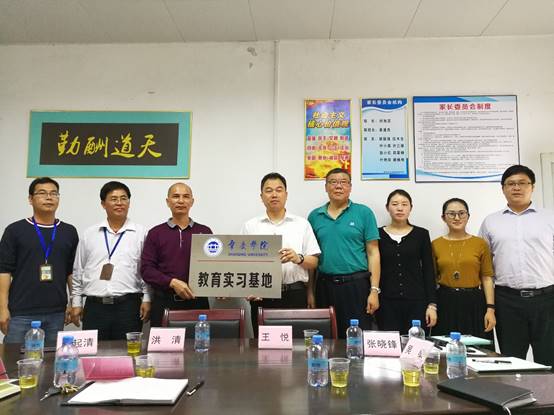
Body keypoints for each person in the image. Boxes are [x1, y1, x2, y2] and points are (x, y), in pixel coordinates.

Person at [479, 165, 554, 365]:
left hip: (547, 300)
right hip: (507, 301)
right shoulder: (491, 222)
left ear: (532, 187)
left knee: (549, 360)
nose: (517, 187)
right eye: (511, 183)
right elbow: (485, 266)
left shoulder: (550, 218)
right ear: (503, 188)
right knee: (511, 361)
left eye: (522, 183)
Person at [0, 177, 78, 344]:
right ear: (30, 199)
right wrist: (2, 308)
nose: (49, 197)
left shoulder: (69, 231)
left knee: (51, 358)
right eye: (42, 193)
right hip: (21, 312)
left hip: (56, 312)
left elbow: (71, 271)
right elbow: (4, 271)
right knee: (14, 358)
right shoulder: (15, 230)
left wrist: (74, 302)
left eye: (54, 193)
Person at [242, 172, 321, 337]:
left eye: (279, 190)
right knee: (264, 346)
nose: (274, 194)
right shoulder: (251, 226)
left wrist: (298, 258)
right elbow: (242, 264)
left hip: (295, 294)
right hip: (262, 295)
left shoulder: (302, 224)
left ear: (286, 194)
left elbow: (314, 262)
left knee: (297, 345)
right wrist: (248, 289)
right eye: (268, 190)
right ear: (261, 196)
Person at [70, 181, 151, 340]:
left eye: (124, 198)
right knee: (94, 353)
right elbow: (79, 270)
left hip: (128, 307)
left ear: (129, 202)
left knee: (128, 352)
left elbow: (146, 270)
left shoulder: (142, 233)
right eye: (114, 199)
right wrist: (76, 302)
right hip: (95, 308)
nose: (119, 203)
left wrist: (147, 298)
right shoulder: (90, 234)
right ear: (103, 204)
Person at [308, 168, 381, 338]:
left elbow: (373, 253)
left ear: (350, 187)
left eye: (343, 182)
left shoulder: (364, 213)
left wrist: (374, 290)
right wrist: (310, 291)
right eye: (333, 182)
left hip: (356, 286)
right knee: (326, 337)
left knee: (356, 338)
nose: (338, 186)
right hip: (324, 286)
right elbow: (312, 257)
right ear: (326, 187)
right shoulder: (314, 216)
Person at [141, 183, 212, 327]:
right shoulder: (156, 233)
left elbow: (214, 266)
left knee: (198, 340)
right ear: (168, 201)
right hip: (164, 302)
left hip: (197, 302)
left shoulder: (205, 232)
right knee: (164, 342)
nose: (181, 200)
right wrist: (172, 282)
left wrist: (221, 288)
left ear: (192, 201)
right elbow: (147, 270)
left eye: (186, 196)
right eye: (176, 196)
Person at [432, 198, 495, 342]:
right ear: (443, 217)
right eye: (451, 214)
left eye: (461, 213)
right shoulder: (435, 244)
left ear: (468, 216)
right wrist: (432, 306)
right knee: (445, 347)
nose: (457, 218)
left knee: (477, 347)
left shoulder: (480, 244)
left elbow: (486, 278)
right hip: (445, 301)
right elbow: (432, 279)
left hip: (474, 302)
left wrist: (490, 309)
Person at [377, 190, 437, 335]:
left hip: (417, 302)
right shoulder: (377, 234)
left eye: (404, 204)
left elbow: (428, 270)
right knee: (390, 343)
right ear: (387, 208)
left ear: (411, 208)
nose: (400, 208)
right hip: (386, 302)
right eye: (395, 204)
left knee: (416, 343)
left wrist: (432, 305)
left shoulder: (421, 234)